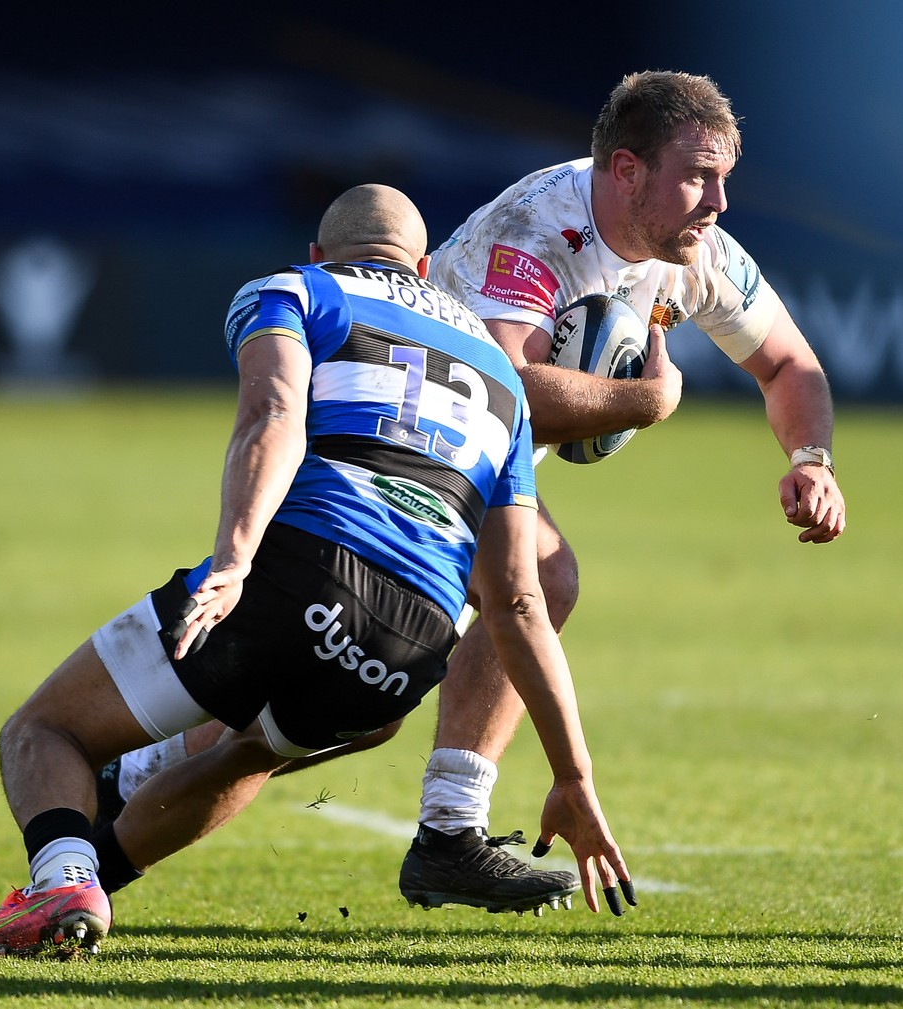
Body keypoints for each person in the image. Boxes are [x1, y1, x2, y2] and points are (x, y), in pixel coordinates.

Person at [100, 69, 847, 915]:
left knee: (340, 686)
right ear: (627, 170)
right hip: (384, 445)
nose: (719, 201)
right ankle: (447, 832)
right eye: (699, 176)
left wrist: (812, 457)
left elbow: (790, 364)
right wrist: (646, 400)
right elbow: (508, 389)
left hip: (453, 455)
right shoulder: (537, 231)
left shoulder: (694, 248)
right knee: (481, 608)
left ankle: (128, 774)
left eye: (726, 179)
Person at [0, 183, 635, 958]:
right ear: (425, 268)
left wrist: (233, 559)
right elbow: (519, 602)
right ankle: (89, 885)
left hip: (300, 574)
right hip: (412, 644)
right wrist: (574, 776)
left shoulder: (295, 290)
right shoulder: (503, 380)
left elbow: (274, 415)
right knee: (252, 751)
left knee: (44, 730)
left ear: (319, 254)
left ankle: (63, 878)